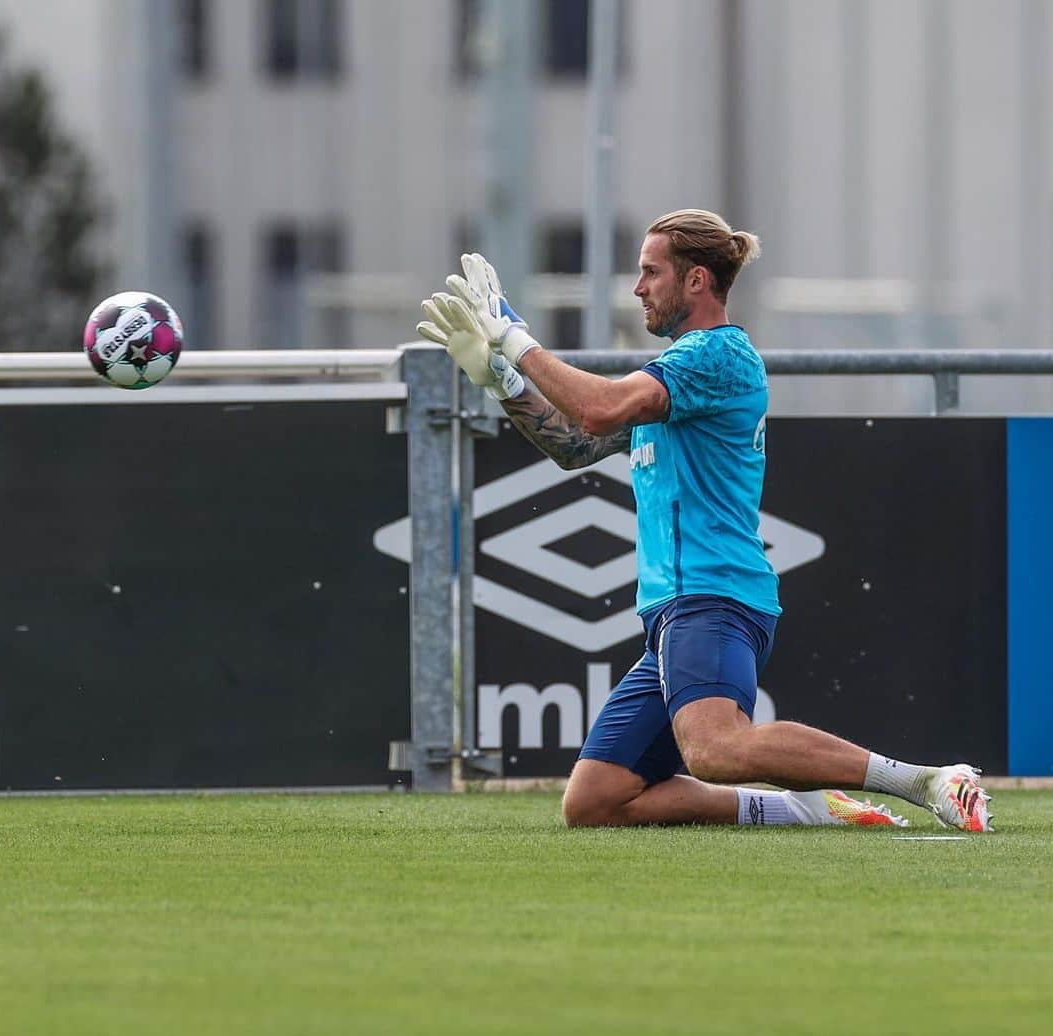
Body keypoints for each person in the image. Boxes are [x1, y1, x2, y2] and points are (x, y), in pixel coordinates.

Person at [417, 209, 991, 833]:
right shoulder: (680, 372)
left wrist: (515, 341)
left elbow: (597, 410)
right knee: (596, 802)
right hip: (673, 610)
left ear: (695, 281)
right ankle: (805, 807)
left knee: (716, 750)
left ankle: (925, 781)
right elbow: (575, 446)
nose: (638, 288)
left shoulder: (717, 355)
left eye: (649, 272)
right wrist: (499, 378)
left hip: (712, 594)